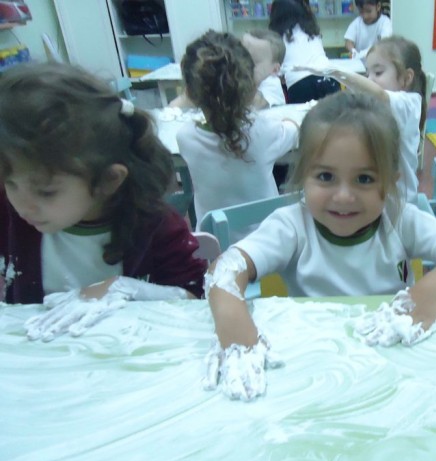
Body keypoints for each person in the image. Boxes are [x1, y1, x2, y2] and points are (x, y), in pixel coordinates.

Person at [203, 91, 436, 400]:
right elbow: (225, 269)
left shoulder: (399, 220)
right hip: (315, 367)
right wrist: (234, 326)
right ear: (303, 176)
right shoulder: (292, 226)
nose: (343, 196)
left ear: (390, 182)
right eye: (326, 176)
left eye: (365, 179)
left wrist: (431, 289)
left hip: (393, 364)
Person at [0, 63, 208, 339]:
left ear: (109, 180)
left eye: (46, 192)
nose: (22, 205)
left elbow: (196, 298)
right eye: (10, 184)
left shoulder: (156, 226)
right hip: (39, 356)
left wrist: (128, 289)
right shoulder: (9, 210)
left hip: (127, 353)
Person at [175, 30, 299, 231]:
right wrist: (287, 121)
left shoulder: (185, 137)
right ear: (250, 86)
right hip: (267, 241)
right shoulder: (264, 131)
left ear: (190, 92)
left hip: (214, 244)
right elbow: (295, 130)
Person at [297, 35, 425, 203]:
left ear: (406, 78)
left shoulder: (410, 103)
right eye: (367, 73)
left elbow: (379, 94)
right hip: (378, 194)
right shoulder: (379, 106)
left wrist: (337, 72)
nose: (369, 79)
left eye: (378, 73)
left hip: (400, 201)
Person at [169, 28, 286, 110]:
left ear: (274, 70)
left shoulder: (272, 83)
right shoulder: (230, 77)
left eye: (253, 63)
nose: (242, 66)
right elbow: (176, 105)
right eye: (238, 58)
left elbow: (257, 102)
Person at [269, 0, 340, 104]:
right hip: (329, 77)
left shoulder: (277, 38)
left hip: (300, 84)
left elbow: (277, 71)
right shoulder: (312, 32)